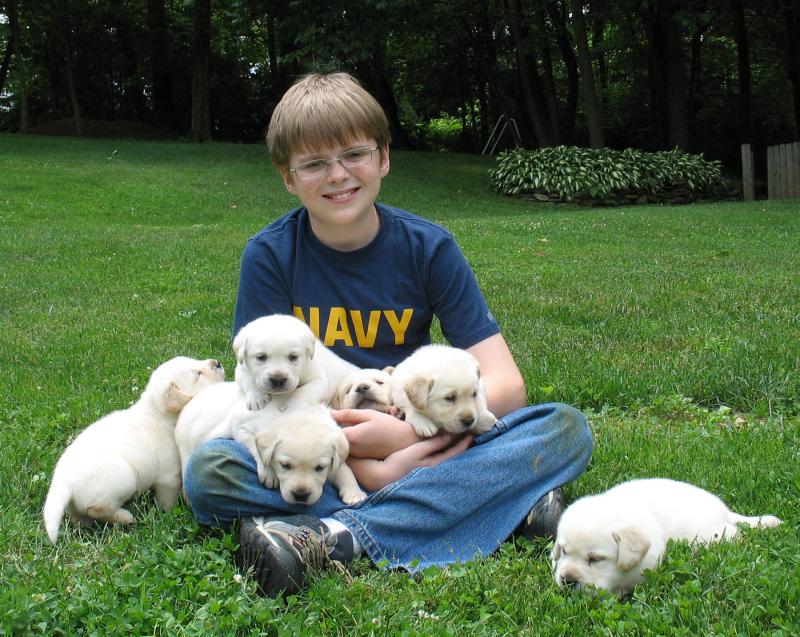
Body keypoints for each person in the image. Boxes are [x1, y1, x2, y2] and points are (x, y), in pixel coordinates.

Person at [183, 72, 593, 598]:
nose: (337, 175)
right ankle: (501, 502)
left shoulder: (429, 248)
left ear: (383, 157)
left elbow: (506, 385)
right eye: (313, 164)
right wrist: (361, 465)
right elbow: (261, 398)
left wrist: (404, 439)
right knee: (210, 472)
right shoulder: (270, 255)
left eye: (354, 154)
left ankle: (330, 535)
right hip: (317, 443)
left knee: (563, 428)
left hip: (419, 425)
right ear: (288, 177)